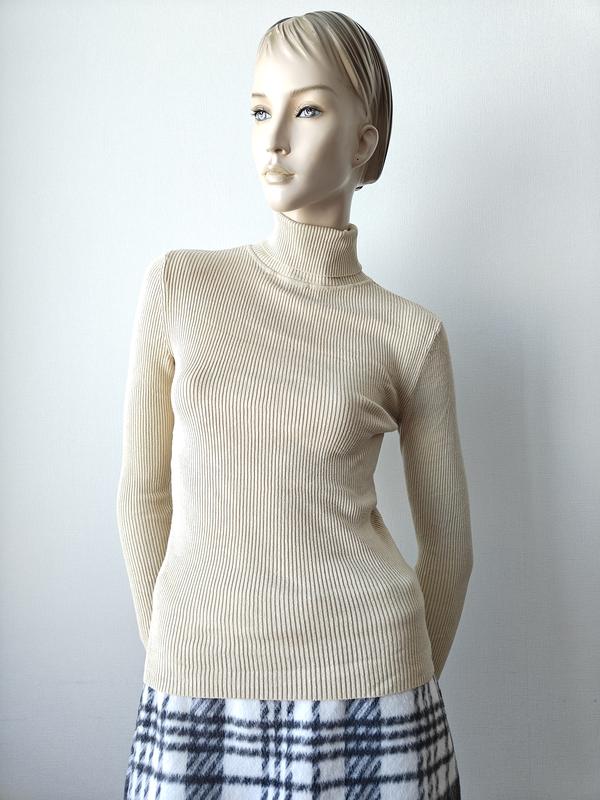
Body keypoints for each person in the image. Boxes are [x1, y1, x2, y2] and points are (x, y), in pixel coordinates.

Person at [118, 11, 472, 799]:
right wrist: (175, 648)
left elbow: (450, 548)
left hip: (374, 692)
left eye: (307, 109)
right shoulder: (180, 286)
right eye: (258, 110)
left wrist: (394, 678)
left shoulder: (409, 333)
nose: (273, 138)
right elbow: (143, 494)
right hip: (195, 686)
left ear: (364, 142)